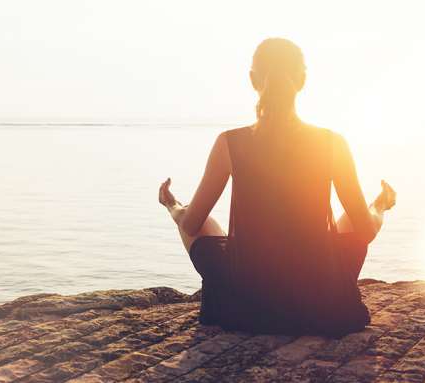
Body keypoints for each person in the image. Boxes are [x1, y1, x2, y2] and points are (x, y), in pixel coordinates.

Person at [158, 38, 396, 337]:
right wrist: (380, 206)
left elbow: (192, 224)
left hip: (248, 303)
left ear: (253, 80)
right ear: (303, 80)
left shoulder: (230, 142)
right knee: (351, 220)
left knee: (197, 216)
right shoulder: (332, 143)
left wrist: (172, 206)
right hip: (321, 302)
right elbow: (366, 230)